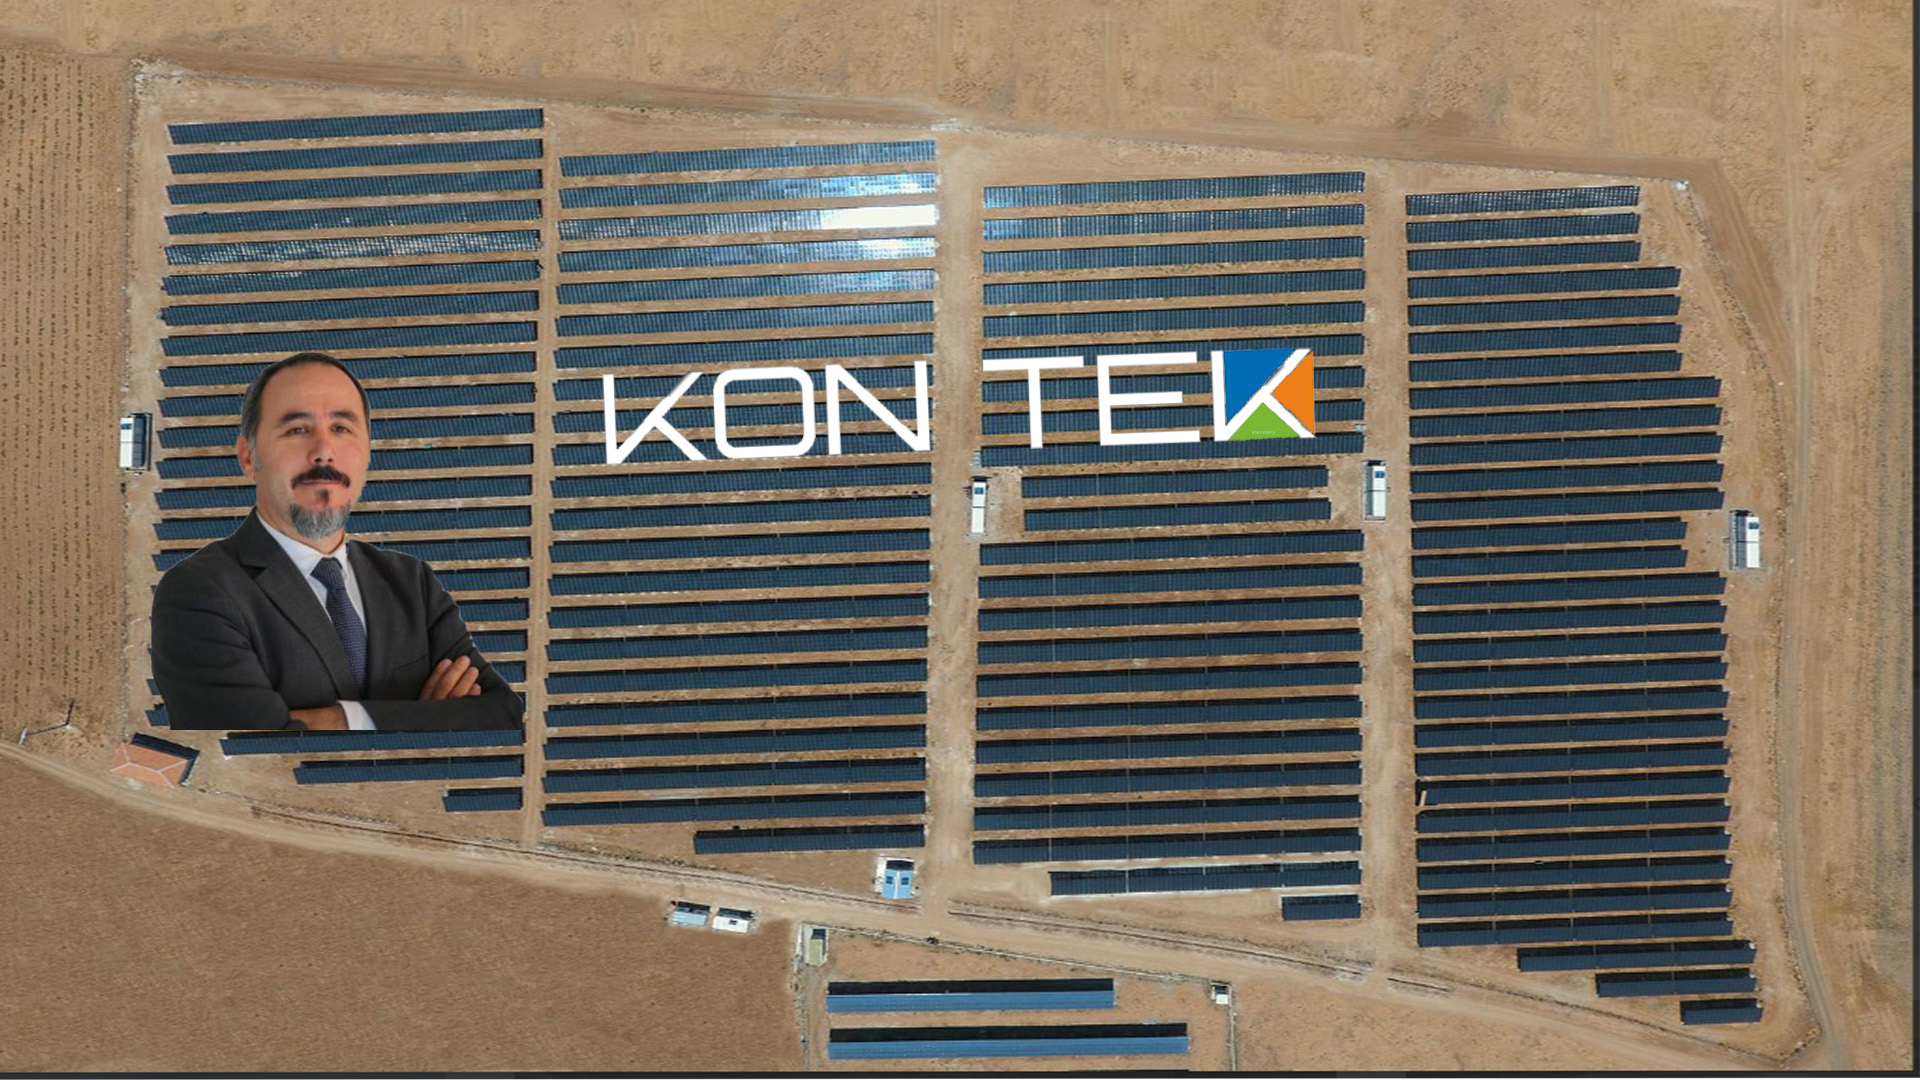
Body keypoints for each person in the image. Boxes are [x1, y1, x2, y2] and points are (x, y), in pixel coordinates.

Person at [151, 352, 524, 731]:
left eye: (342, 428)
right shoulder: (199, 591)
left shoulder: (411, 583)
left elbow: (503, 715)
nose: (324, 452)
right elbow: (254, 747)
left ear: (367, 453)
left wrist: (338, 718)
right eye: (297, 430)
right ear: (249, 457)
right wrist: (423, 718)